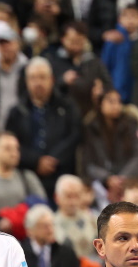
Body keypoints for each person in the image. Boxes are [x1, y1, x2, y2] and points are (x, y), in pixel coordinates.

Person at [5, 57, 81, 196]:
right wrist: (36, 161)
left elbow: (74, 136)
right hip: (27, 176)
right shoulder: (16, 112)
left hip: (63, 173)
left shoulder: (67, 107)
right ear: (27, 81)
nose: (38, 83)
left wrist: (53, 159)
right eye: (33, 78)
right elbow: (12, 142)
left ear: (51, 79)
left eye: (42, 77)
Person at [81, 89, 138, 197]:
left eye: (118, 102)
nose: (116, 105)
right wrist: (107, 178)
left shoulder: (130, 124)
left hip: (128, 182)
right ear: (100, 104)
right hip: (100, 185)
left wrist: (122, 177)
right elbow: (88, 163)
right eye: (111, 101)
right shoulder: (91, 128)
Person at [0, 133, 47, 213]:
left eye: (16, 148)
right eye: (8, 148)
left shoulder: (27, 177)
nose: (14, 153)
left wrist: (14, 217)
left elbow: (42, 207)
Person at [54, 175, 100, 262]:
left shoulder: (93, 220)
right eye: (68, 196)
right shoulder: (51, 224)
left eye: (77, 196)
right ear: (57, 197)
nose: (73, 202)